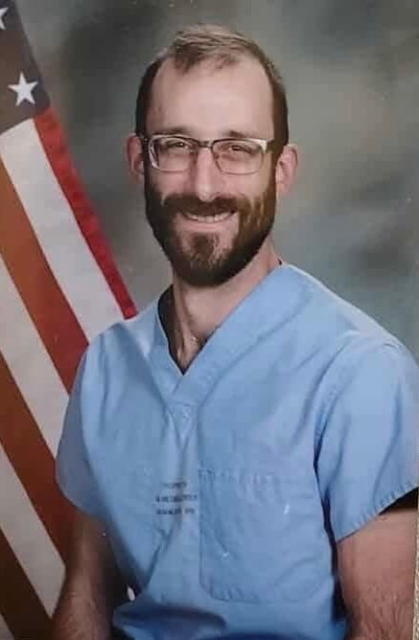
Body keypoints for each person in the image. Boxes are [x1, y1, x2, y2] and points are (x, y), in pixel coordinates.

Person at [51, 24, 419, 640]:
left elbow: (383, 630)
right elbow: (87, 595)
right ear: (139, 161)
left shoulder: (361, 374)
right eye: (176, 146)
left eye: (238, 149)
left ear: (281, 169)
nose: (204, 185)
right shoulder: (107, 371)